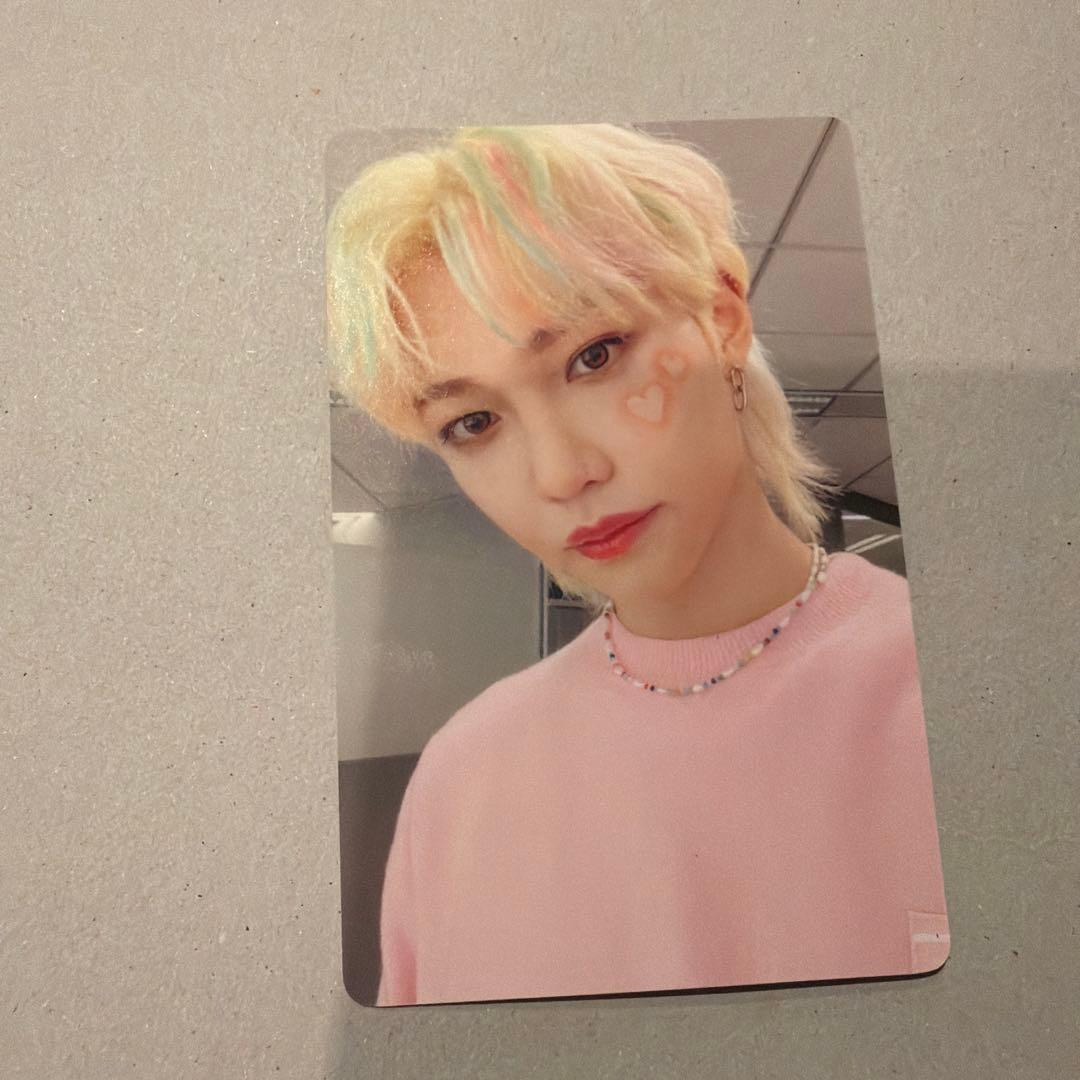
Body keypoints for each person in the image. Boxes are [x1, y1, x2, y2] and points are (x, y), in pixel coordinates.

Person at [325, 123, 950, 1007]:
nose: (560, 474)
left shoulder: (968, 702)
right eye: (473, 422)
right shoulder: (461, 781)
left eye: (594, 356)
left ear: (722, 316)